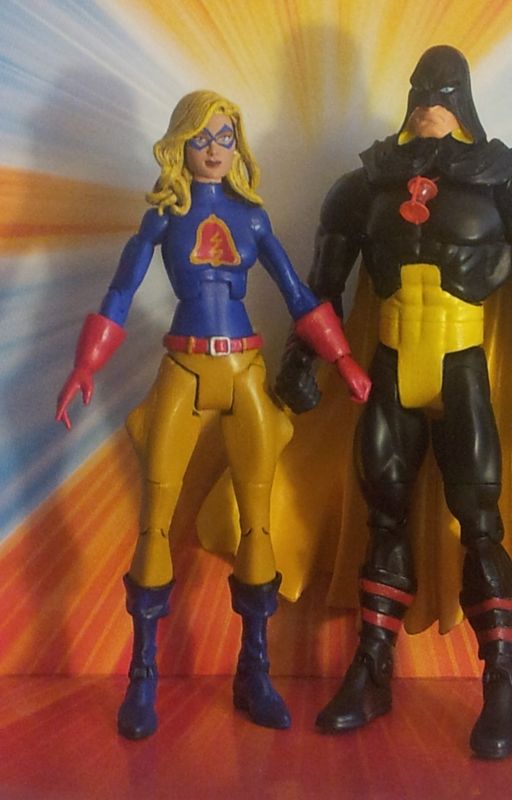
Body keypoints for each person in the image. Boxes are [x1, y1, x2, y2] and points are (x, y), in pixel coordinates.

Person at [276, 45, 512, 759]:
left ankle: (500, 682)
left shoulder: (508, 182)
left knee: (481, 528)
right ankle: (372, 668)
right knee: (383, 519)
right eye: (422, 89)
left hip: (460, 369)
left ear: (464, 97)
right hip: (387, 370)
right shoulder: (366, 184)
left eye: (444, 90)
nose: (431, 102)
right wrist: (298, 360)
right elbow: (322, 287)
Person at [56, 90, 370, 739]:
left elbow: (298, 294)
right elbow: (120, 291)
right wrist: (86, 363)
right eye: (202, 138)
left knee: (258, 524)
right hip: (184, 366)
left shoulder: (251, 217)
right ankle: (143, 675)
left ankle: (253, 671)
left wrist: (343, 360)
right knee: (154, 521)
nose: (215, 149)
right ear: (181, 143)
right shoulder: (163, 217)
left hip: (244, 368)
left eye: (225, 137)